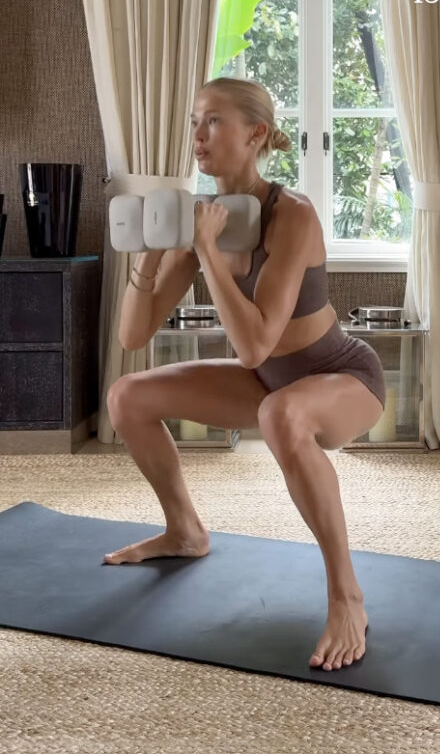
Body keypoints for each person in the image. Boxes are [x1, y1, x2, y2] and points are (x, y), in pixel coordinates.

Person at [105, 76, 386, 672]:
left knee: (281, 413)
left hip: (341, 377)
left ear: (256, 134)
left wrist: (206, 250)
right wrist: (150, 256)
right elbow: (132, 337)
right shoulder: (199, 221)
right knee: (127, 395)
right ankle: (184, 531)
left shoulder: (292, 215)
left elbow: (256, 344)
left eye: (213, 121)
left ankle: (347, 597)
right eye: (194, 122)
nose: (198, 137)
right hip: (269, 384)